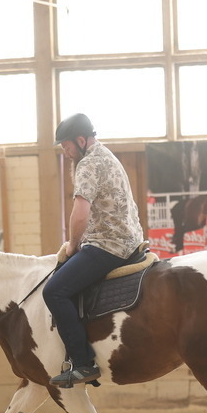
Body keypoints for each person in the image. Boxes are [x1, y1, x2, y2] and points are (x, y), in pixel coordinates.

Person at [43, 113, 146, 389]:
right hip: (129, 238)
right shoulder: (107, 156)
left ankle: (83, 362)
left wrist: (72, 245)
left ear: (80, 140)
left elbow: (81, 213)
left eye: (66, 147)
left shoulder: (88, 164)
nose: (65, 154)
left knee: (54, 290)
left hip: (108, 245)